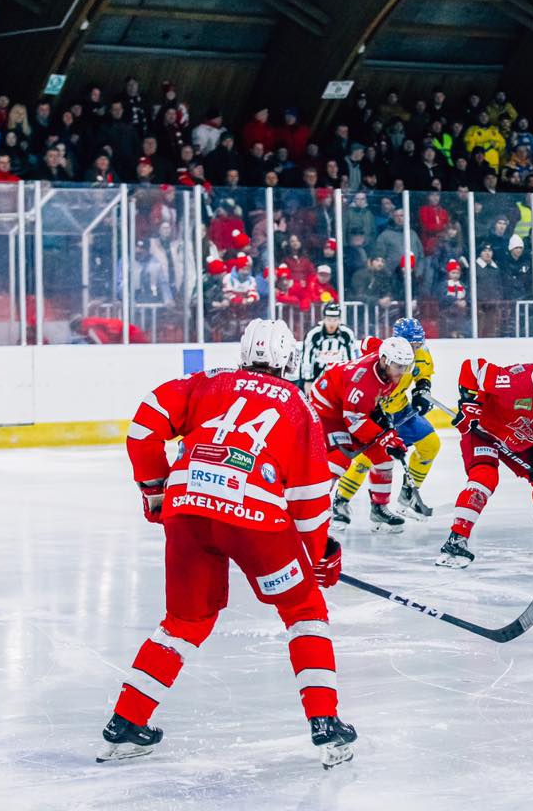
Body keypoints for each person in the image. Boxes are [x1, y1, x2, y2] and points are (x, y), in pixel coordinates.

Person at [98, 319, 356, 769]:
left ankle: (126, 722)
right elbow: (311, 500)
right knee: (303, 609)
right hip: (255, 521)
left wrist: (155, 491)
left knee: (184, 620)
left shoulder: (207, 382)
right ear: (290, 360)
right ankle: (325, 724)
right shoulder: (300, 406)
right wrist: (316, 557)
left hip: (188, 511)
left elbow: (143, 428)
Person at [436, 350, 533, 568]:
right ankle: (456, 539)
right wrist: (469, 405)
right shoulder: (514, 382)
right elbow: (472, 366)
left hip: (516, 438)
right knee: (484, 479)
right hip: (482, 432)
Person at [332, 318, 439, 525]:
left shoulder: (422, 354)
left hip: (401, 411)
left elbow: (423, 376)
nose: (416, 349)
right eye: (412, 345)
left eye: (419, 344)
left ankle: (409, 495)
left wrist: (422, 391)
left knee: (431, 444)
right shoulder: (385, 354)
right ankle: (341, 500)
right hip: (376, 413)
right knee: (367, 460)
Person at [307, 337, 416, 533]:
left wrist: (385, 436)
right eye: (399, 366)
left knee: (384, 457)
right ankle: (312, 507)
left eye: (406, 367)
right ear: (384, 360)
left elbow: (367, 343)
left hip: (350, 403)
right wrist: (386, 437)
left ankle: (379, 509)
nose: (402, 372)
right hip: (327, 408)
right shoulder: (364, 384)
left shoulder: (382, 359)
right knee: (341, 458)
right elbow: (354, 422)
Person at [298, 303, 357, 390]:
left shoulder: (347, 334)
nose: (331, 324)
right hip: (317, 372)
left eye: (335, 320)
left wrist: (351, 380)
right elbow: (307, 358)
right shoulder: (314, 334)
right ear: (324, 319)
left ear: (339, 320)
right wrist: (308, 380)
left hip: (338, 372)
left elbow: (351, 358)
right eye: (329, 320)